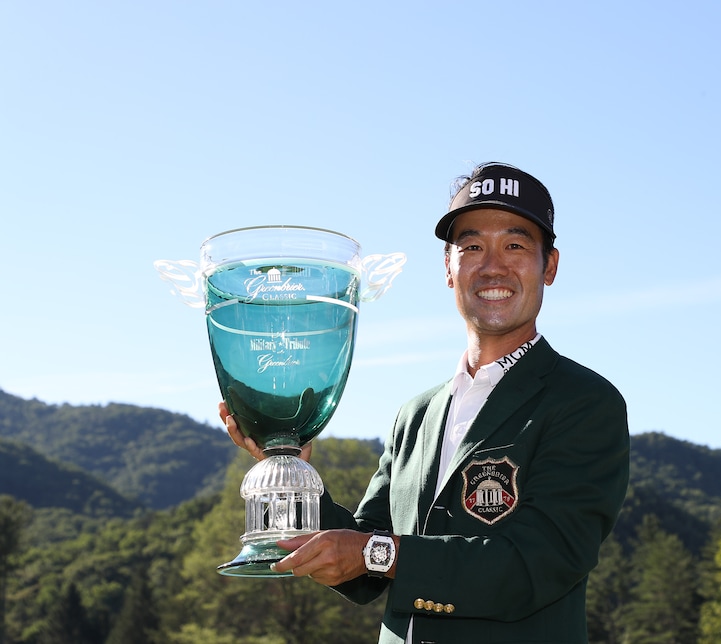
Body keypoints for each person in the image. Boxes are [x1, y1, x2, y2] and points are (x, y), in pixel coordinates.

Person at [223, 161, 630, 643]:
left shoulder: (585, 402)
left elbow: (533, 565)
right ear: (448, 268)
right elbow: (363, 571)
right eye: (473, 246)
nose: (492, 265)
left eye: (515, 245)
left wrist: (376, 553)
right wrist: (289, 470)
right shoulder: (416, 415)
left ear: (551, 265)